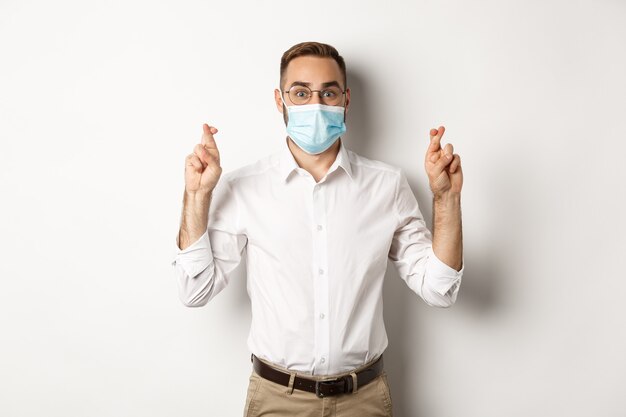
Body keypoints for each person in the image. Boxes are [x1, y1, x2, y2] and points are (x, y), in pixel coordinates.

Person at [171, 41, 464, 417]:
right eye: (301, 93)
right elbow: (194, 290)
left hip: (365, 399)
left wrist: (445, 199)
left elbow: (440, 290)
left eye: (328, 92)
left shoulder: (386, 186)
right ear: (280, 101)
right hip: (277, 400)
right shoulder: (245, 188)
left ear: (346, 99)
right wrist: (197, 196)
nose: (316, 104)